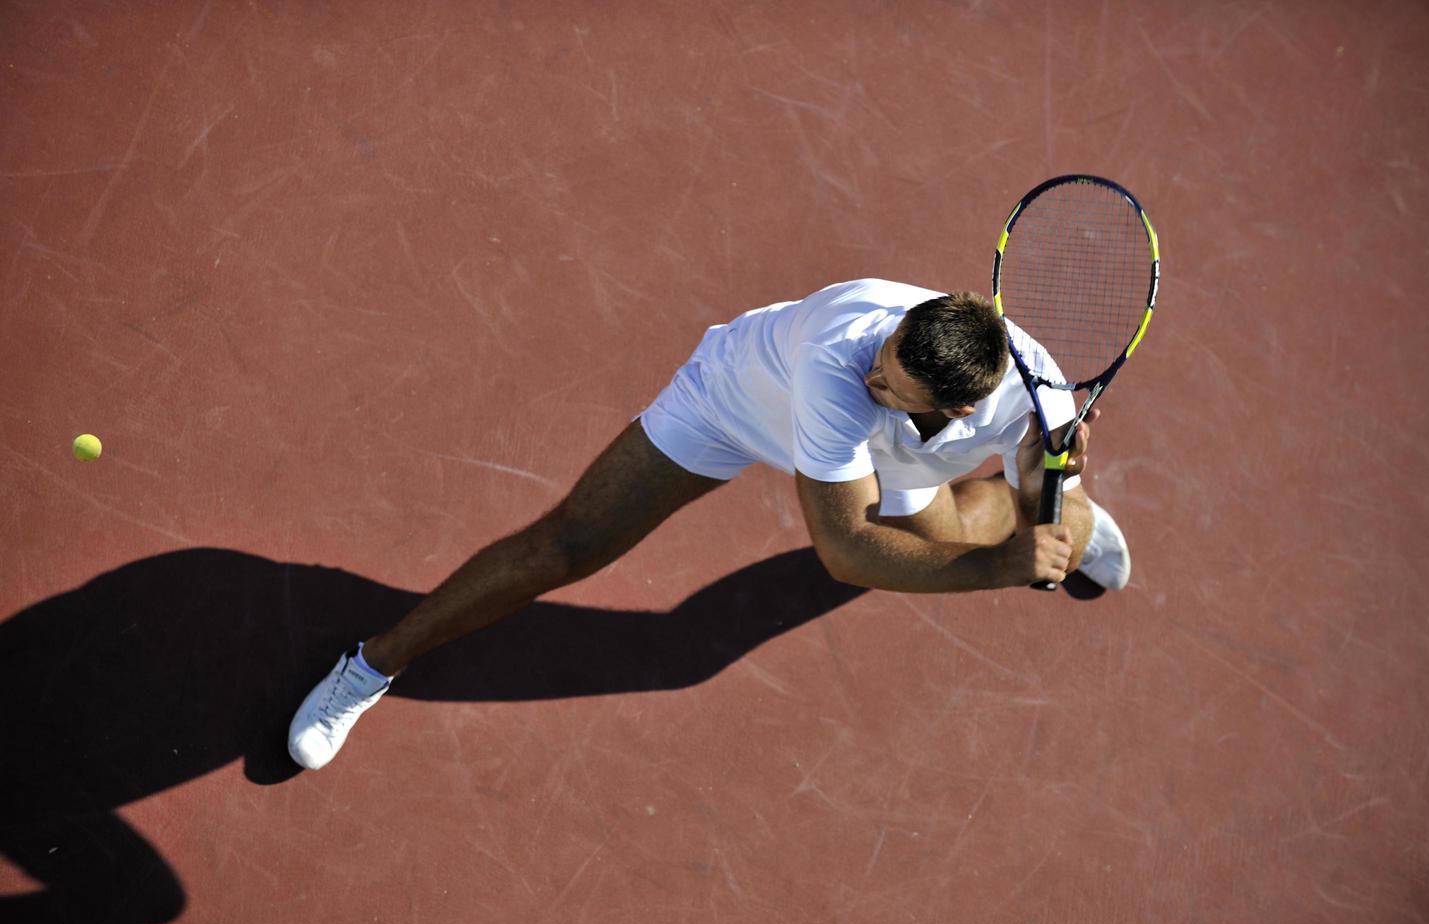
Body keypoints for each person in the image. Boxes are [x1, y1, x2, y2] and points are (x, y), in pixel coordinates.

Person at [287, 279, 1129, 770]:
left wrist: (1049, 495)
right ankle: (371, 664)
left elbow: (1031, 476)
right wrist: (1004, 569)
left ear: (961, 403)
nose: (872, 368)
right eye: (883, 354)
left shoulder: (1037, 396)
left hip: (912, 456)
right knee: (570, 541)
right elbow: (843, 550)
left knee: (948, 535)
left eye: (890, 380)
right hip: (731, 403)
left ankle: (1082, 529)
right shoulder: (841, 369)